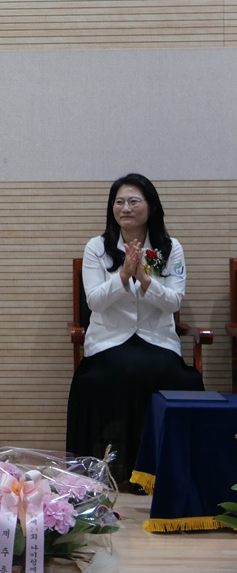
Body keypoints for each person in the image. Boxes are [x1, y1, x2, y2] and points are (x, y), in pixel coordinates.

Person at [66, 173, 204, 489]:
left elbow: (173, 302)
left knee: (168, 374)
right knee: (123, 369)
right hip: (108, 342)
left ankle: (168, 475)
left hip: (158, 341)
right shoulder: (97, 248)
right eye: (119, 202)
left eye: (133, 201)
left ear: (151, 206)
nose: (125, 208)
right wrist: (123, 275)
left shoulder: (171, 248)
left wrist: (145, 279)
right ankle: (106, 475)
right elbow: (95, 302)